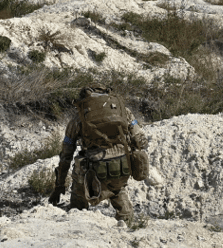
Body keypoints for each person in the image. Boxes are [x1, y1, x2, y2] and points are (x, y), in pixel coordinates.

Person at [49, 86, 152, 223]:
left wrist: (59, 186)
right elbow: (141, 141)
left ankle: (78, 218)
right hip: (121, 167)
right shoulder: (123, 112)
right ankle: (127, 223)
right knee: (118, 190)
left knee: (78, 200)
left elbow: (66, 155)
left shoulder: (79, 118)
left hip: (91, 172)